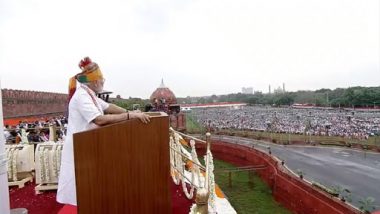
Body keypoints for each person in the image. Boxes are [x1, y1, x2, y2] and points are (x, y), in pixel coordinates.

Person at [57, 57, 150, 206]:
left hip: (90, 145)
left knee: (90, 188)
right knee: (82, 190)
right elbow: (99, 119)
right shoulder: (81, 96)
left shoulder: (89, 94)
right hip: (80, 147)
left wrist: (130, 111)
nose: (103, 82)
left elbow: (108, 107)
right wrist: (129, 116)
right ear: (95, 81)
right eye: (102, 80)